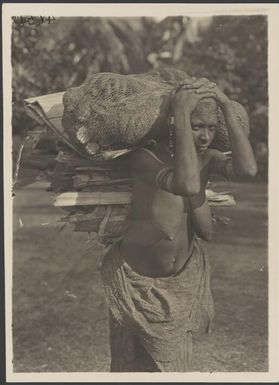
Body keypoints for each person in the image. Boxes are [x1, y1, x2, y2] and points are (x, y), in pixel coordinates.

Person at [101, 76, 257, 372]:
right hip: (135, 284)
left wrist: (225, 104)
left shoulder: (207, 159)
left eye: (211, 128)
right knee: (127, 369)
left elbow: (248, 170)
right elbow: (185, 183)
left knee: (175, 371)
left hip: (181, 286)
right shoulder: (145, 158)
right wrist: (181, 113)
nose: (204, 136)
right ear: (175, 122)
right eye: (197, 126)